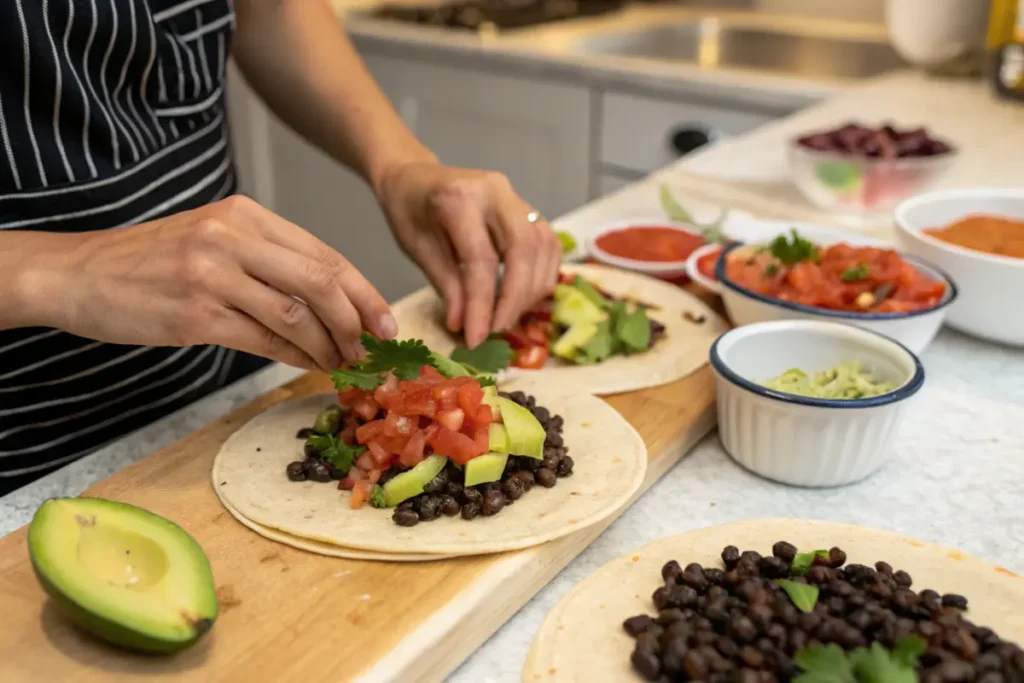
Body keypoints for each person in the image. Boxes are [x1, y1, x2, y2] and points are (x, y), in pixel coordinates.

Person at [0, 0, 562, 494]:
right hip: (23, 460)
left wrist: (400, 164)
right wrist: (60, 271)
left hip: (220, 396)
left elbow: (271, 9)